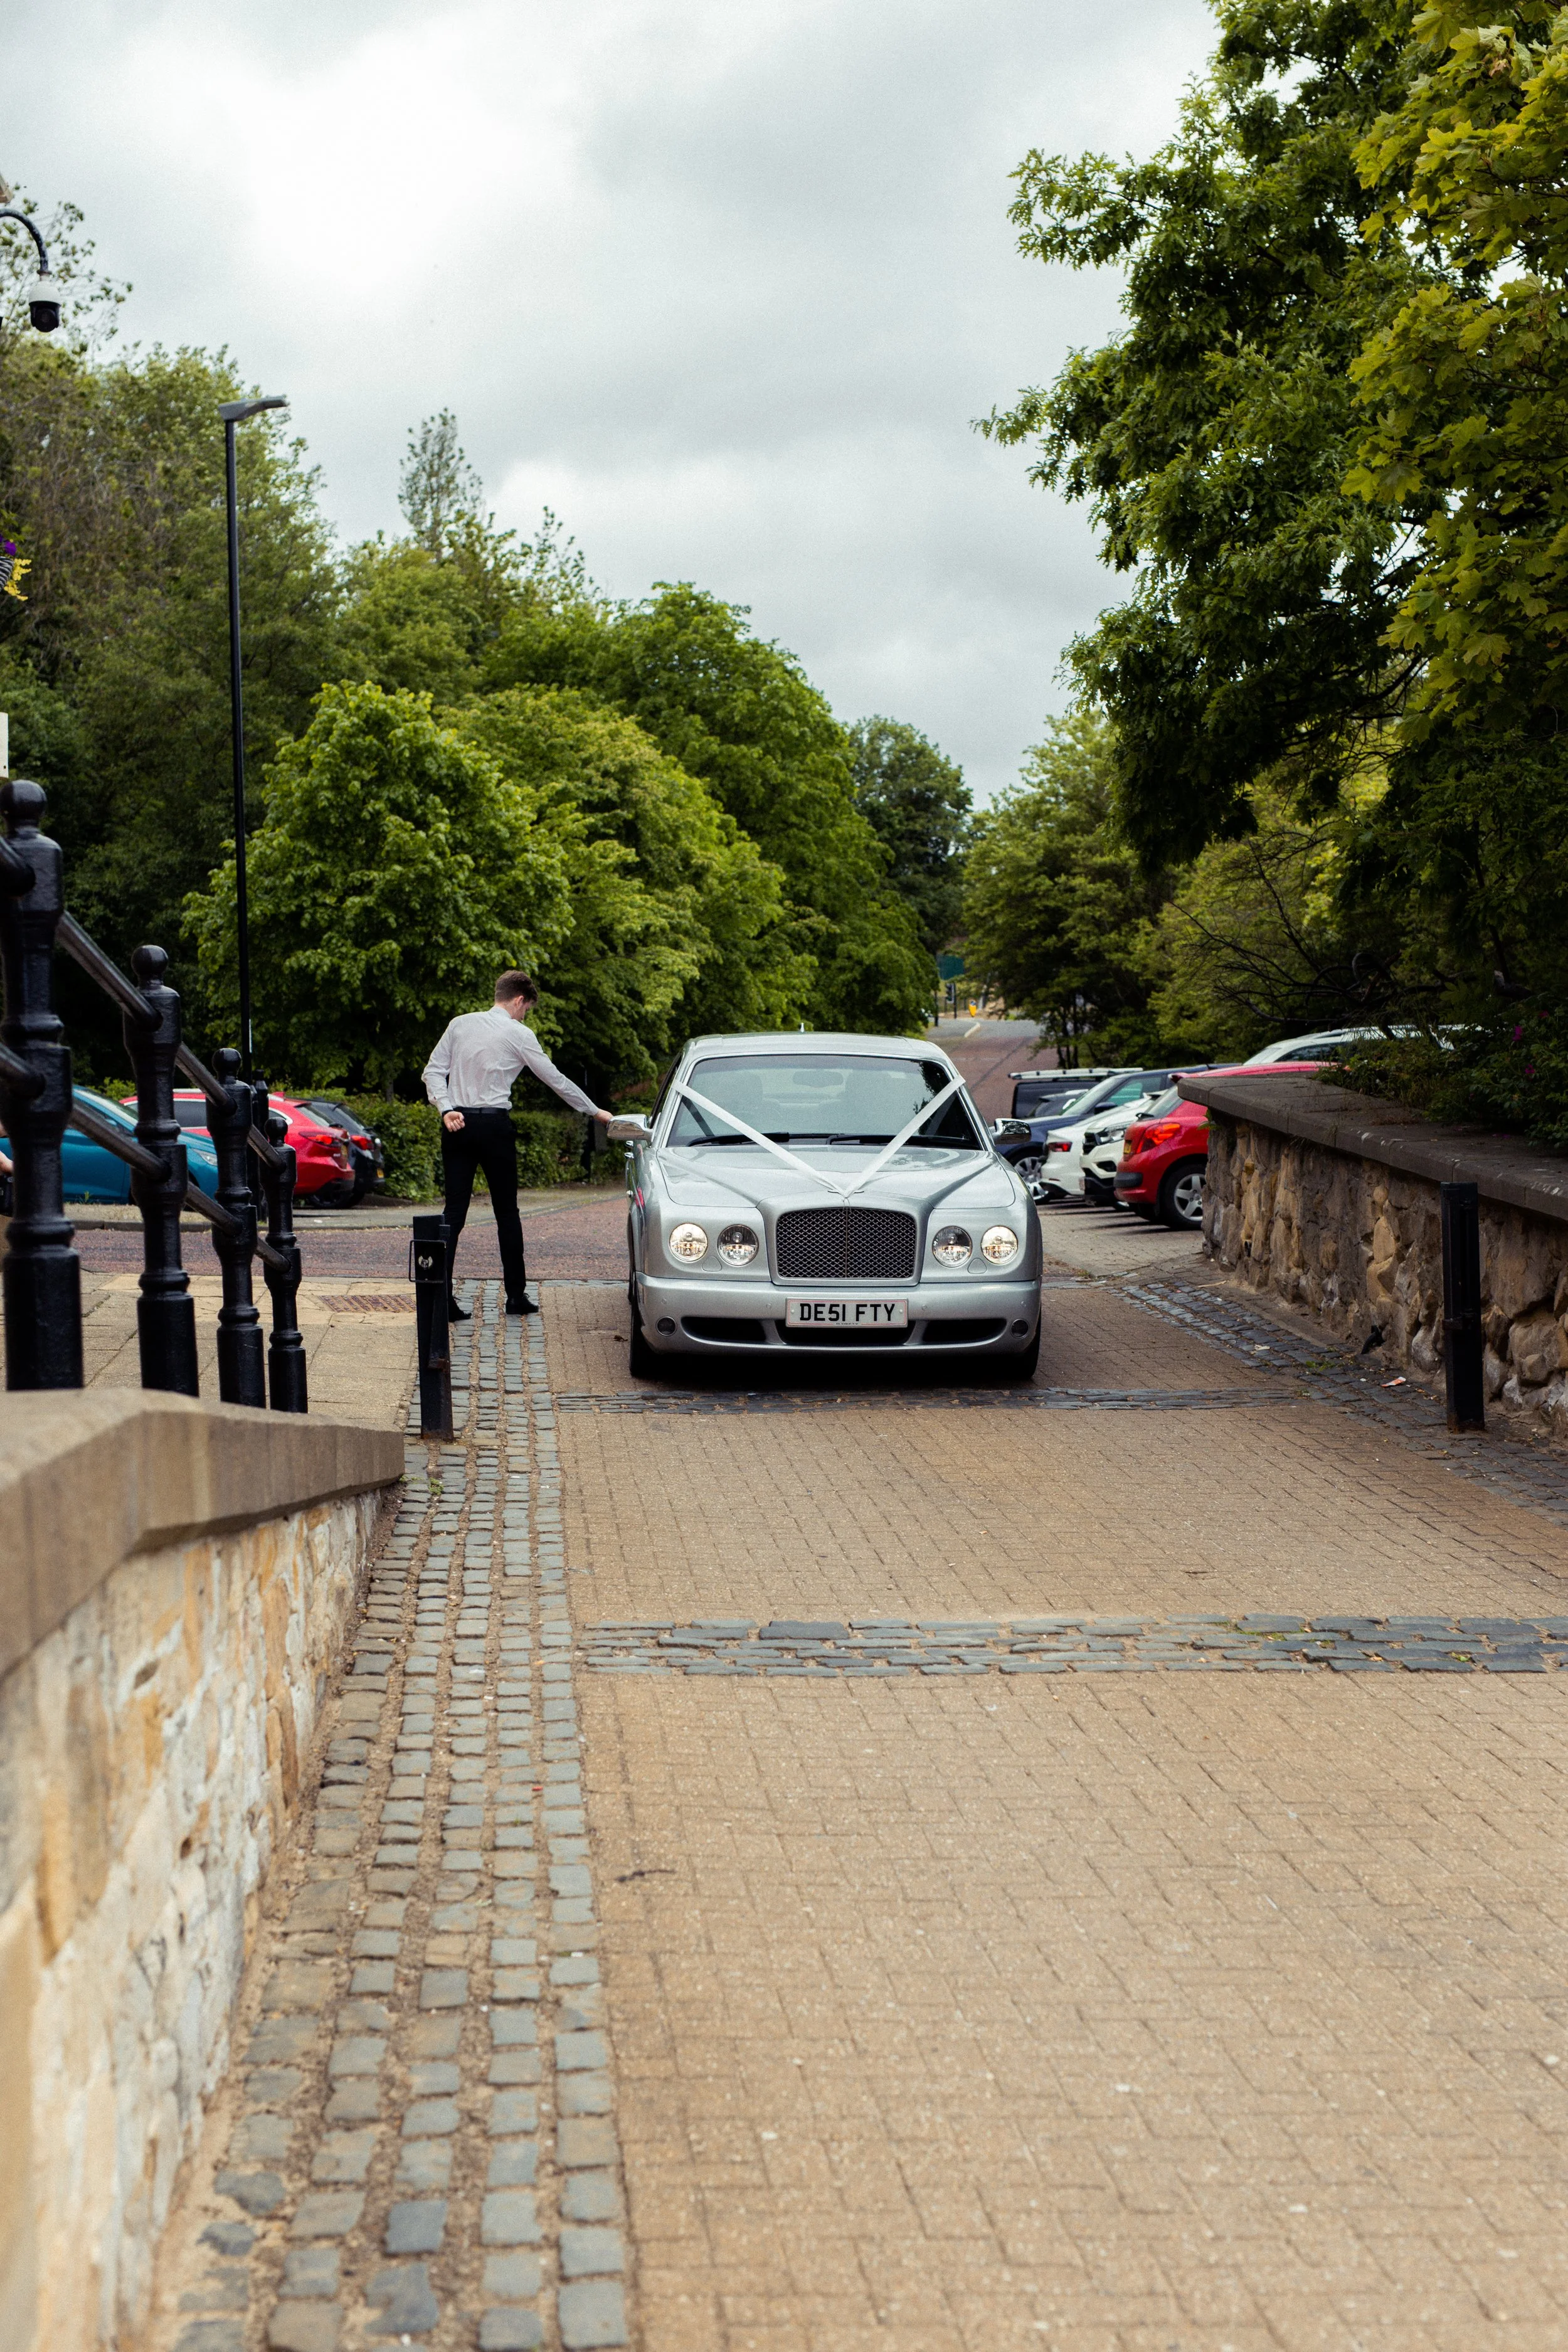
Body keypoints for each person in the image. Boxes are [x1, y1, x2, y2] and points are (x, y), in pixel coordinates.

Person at [422, 971, 612, 1318]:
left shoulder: (459, 1024)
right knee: (507, 1213)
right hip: (494, 1126)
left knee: (453, 1214)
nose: (526, 1016)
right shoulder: (519, 1034)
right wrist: (595, 1111)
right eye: (527, 1009)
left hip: (457, 1124)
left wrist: (446, 1109)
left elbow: (433, 1071)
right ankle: (515, 1297)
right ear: (520, 1000)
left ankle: (441, 1300)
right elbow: (555, 1079)